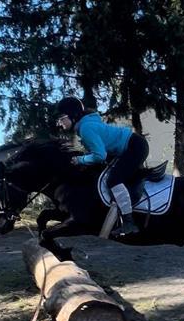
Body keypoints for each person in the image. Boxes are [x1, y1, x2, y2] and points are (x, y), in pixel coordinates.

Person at [55, 96, 148, 237]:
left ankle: (129, 222)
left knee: (113, 180)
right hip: (130, 146)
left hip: (135, 147)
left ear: (72, 115)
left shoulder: (86, 128)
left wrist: (80, 160)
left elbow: (100, 155)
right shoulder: (85, 126)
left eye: (61, 118)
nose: (59, 123)